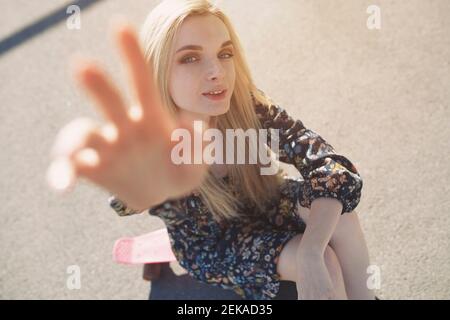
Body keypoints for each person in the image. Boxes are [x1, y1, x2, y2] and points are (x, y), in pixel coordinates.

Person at [47, 0, 375, 300]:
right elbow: (130, 195)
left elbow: (328, 165)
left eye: (225, 53)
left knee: (340, 220)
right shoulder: (157, 142)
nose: (216, 70)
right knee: (326, 265)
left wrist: (312, 248)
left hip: (265, 202)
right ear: (158, 71)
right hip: (215, 244)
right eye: (190, 57)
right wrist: (140, 188)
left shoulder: (247, 106)